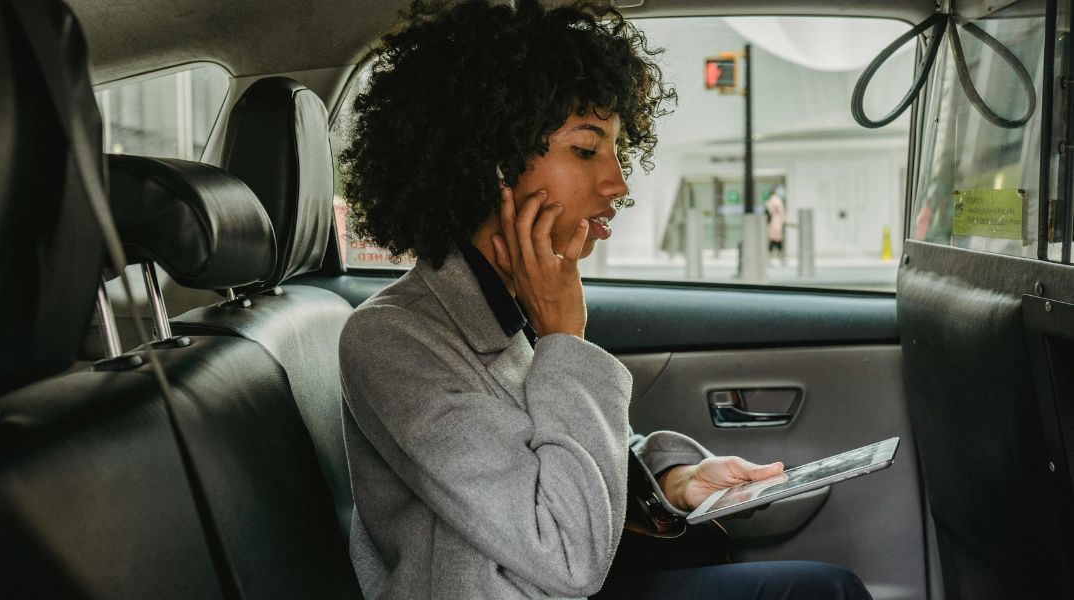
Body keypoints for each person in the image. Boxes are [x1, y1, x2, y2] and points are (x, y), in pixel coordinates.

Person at [337, 1, 873, 598]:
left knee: (822, 589)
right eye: (586, 150)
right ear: (492, 165)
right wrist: (564, 337)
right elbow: (566, 553)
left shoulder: (510, 303)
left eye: (617, 151)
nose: (618, 182)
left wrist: (674, 481)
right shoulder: (394, 340)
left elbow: (562, 451)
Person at [765, 186, 786, 263]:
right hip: (776, 223)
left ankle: (768, 259)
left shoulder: (769, 201)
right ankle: (780, 258)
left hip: (771, 223)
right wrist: (789, 221)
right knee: (777, 241)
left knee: (772, 242)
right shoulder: (777, 200)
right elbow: (782, 213)